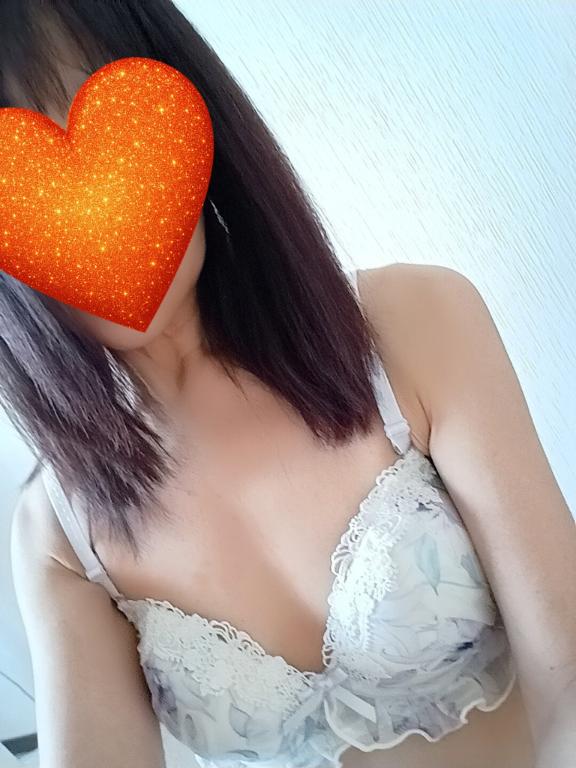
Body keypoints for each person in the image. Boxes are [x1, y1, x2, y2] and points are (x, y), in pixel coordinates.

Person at [3, 2, 571, 768]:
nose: (92, 215)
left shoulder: (417, 323)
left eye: (97, 125)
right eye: (22, 185)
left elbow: (568, 667)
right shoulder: (59, 539)